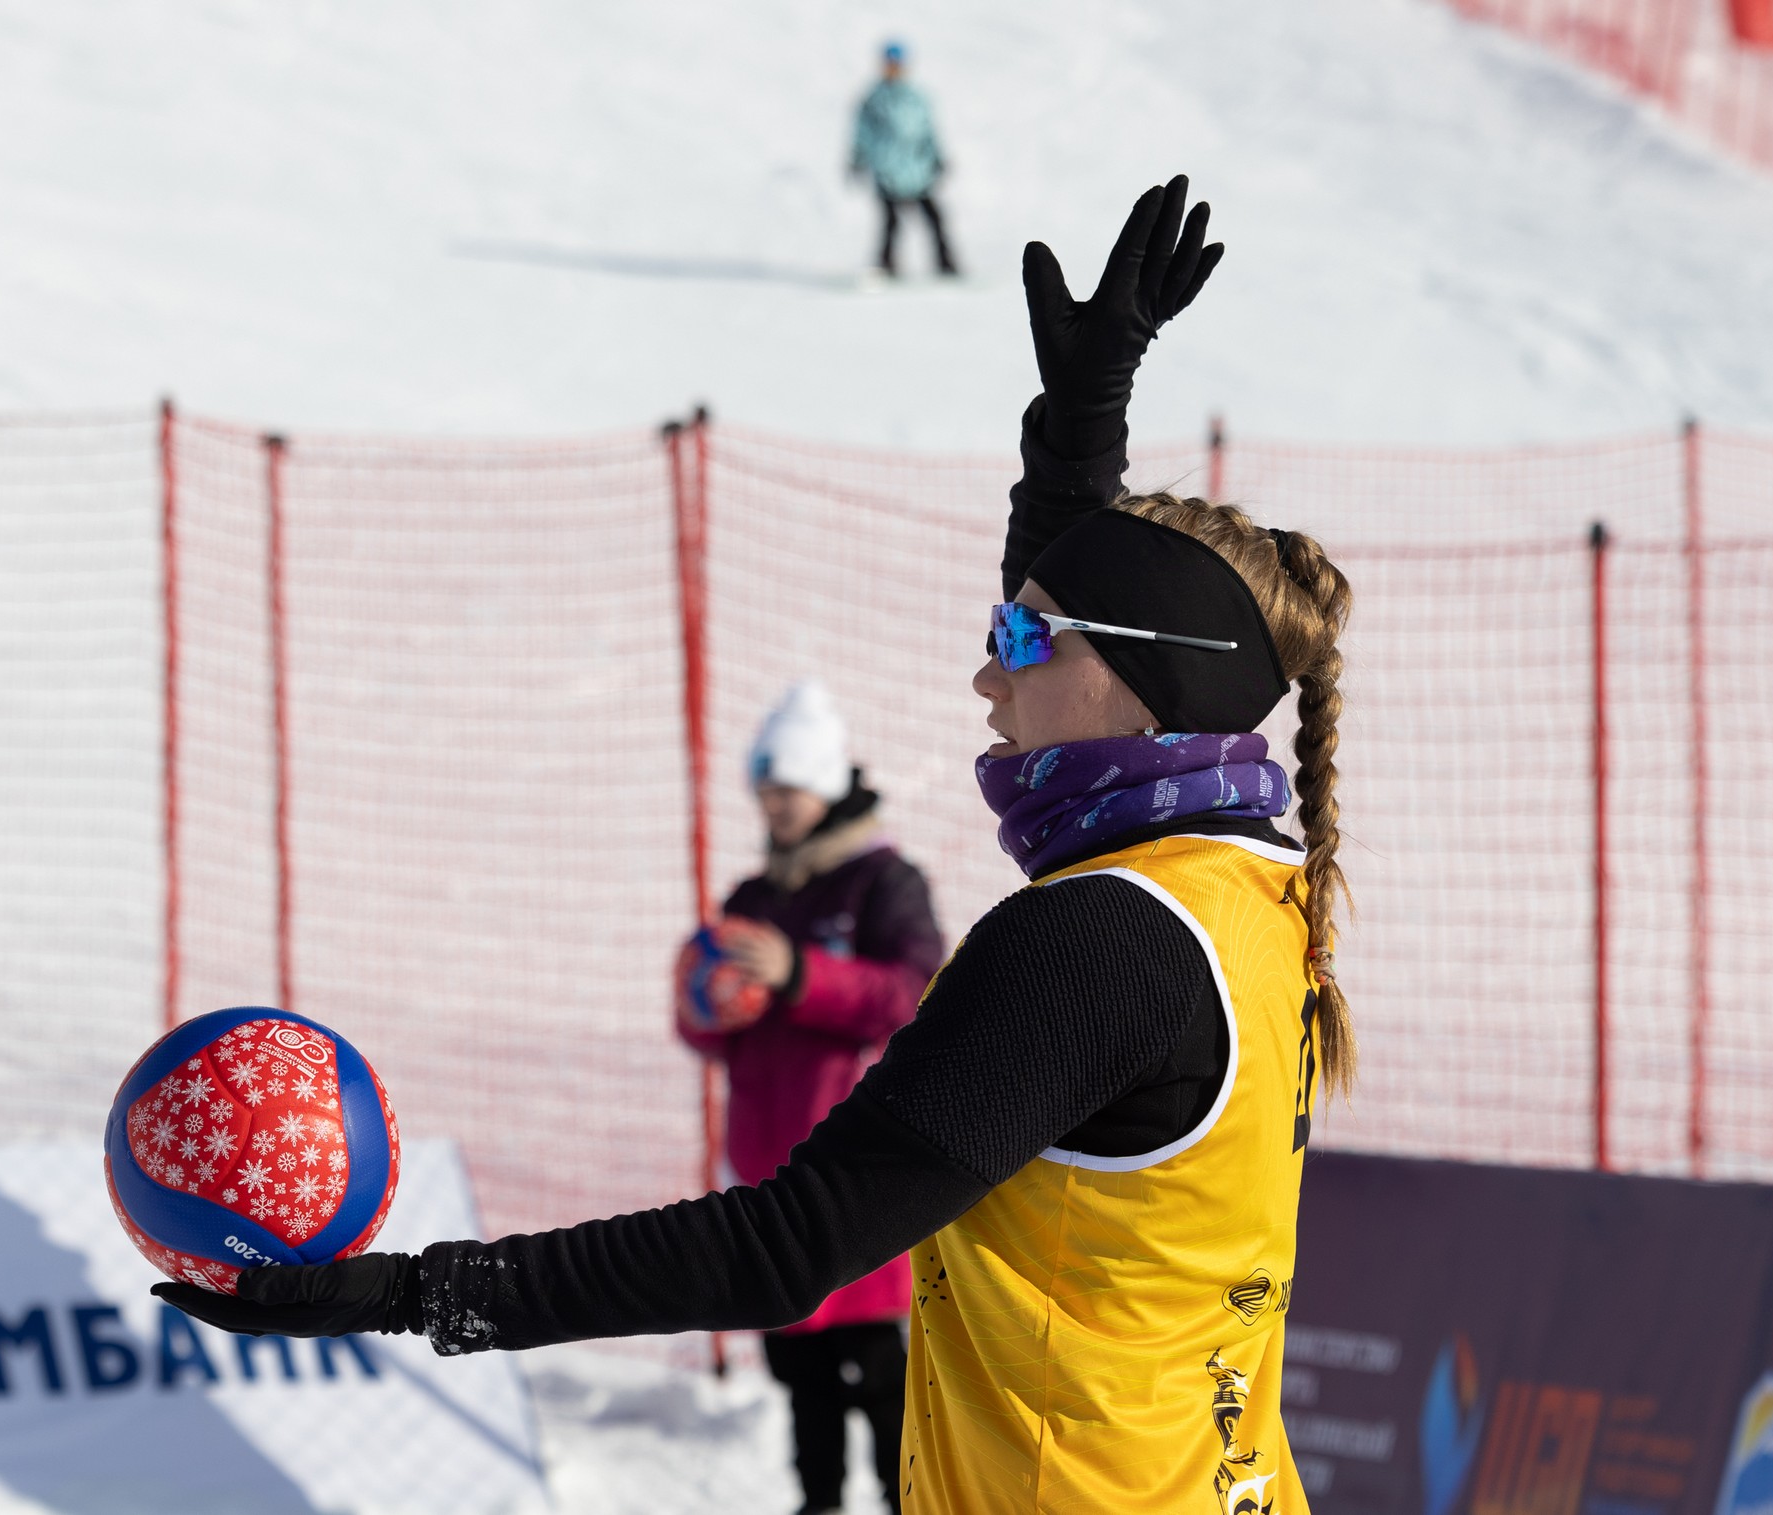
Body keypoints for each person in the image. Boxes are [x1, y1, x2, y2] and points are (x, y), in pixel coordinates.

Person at [159, 176, 1358, 1515]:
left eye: (1020, 641)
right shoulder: (1249, 888)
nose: (985, 675)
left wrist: (416, 1288)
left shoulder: (1097, 938)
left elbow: (798, 1239)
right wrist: (1078, 431)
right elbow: (1110, 618)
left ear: (1140, 691)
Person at [677, 680, 944, 1515]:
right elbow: (712, 1036)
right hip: (768, 1177)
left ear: (825, 786)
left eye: (786, 788)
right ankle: (817, 1502)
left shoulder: (883, 882)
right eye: (764, 789)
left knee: (885, 1388)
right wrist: (704, 1007)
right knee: (803, 1381)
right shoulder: (755, 897)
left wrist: (799, 974)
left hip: (862, 1179)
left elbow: (916, 990)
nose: (773, 805)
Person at [850, 41, 957, 279]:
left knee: (934, 219)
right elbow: (862, 134)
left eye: (897, 64)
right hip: (887, 172)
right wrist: (857, 159)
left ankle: (946, 264)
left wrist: (937, 159)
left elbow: (928, 133)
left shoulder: (916, 98)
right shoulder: (873, 100)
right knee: (891, 223)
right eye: (889, 64)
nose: (893, 68)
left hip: (917, 172)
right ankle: (886, 265)